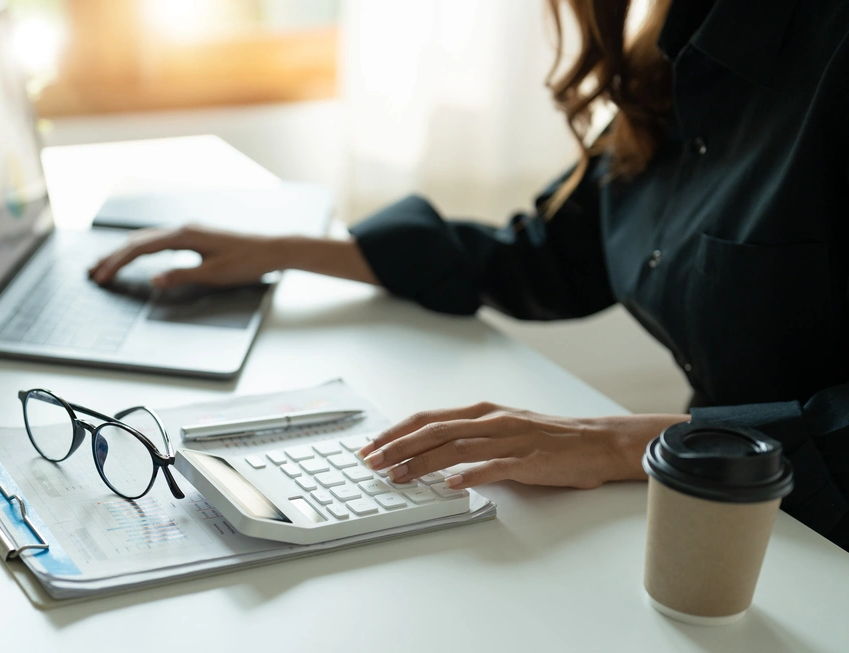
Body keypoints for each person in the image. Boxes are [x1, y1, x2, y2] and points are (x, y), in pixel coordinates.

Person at [89, 0, 849, 551]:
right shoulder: (681, 45)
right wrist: (286, 250)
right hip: (720, 524)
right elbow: (551, 255)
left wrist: (628, 442)